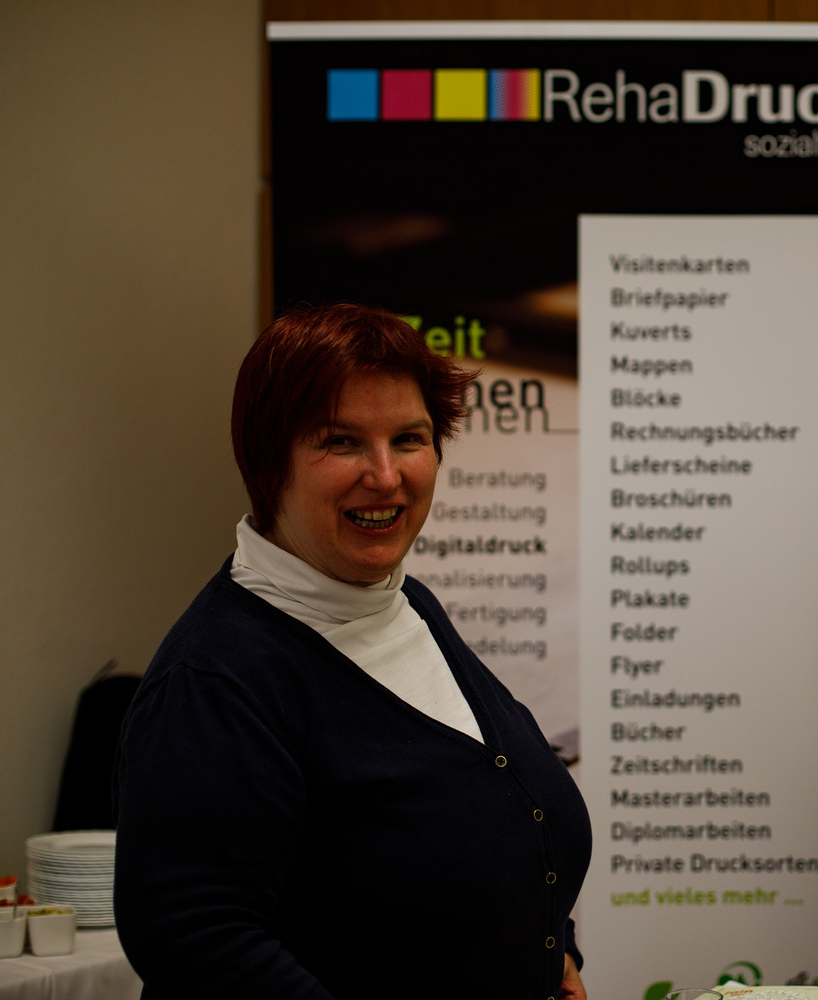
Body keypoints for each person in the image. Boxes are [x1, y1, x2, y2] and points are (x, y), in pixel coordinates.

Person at [115, 303, 591, 1000]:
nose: (386, 475)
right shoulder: (215, 680)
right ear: (268, 462)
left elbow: (497, 811)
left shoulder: (404, 604)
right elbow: (195, 936)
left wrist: (551, 951)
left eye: (409, 439)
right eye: (341, 442)